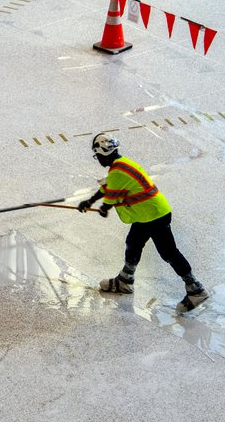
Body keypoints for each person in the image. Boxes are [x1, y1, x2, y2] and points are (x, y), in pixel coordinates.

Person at [78, 133, 208, 312]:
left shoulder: (117, 171)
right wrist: (90, 202)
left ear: (102, 153)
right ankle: (125, 280)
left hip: (154, 215)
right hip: (147, 215)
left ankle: (196, 289)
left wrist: (102, 208)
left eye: (97, 155)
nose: (97, 159)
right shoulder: (122, 164)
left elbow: (110, 199)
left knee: (168, 252)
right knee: (133, 242)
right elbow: (107, 186)